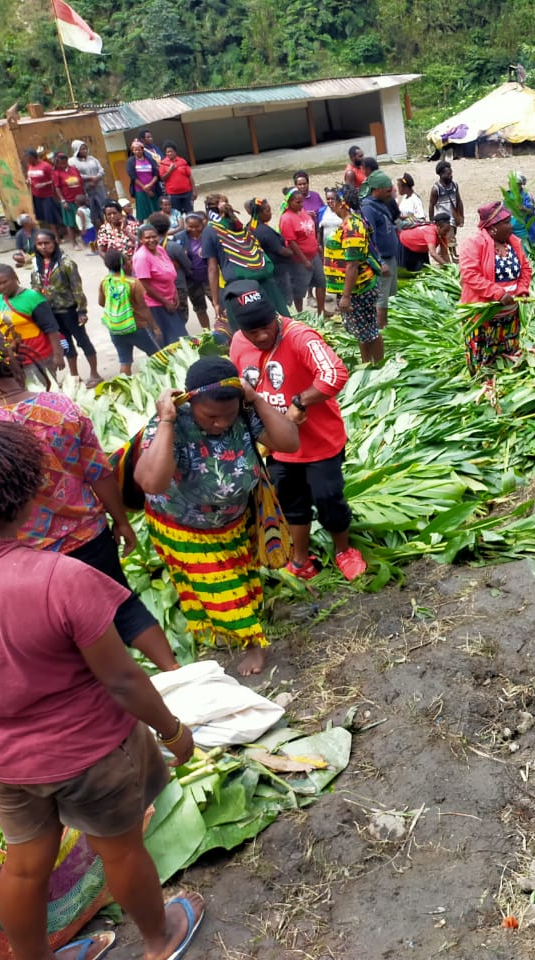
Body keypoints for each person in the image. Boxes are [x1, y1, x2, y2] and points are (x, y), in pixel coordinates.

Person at [0, 418, 206, 960]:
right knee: (120, 850)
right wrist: (173, 732)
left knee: (25, 864)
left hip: (0, 759)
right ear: (33, 496)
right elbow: (123, 679)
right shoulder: (62, 579)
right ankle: (160, 939)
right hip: (88, 752)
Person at [0, 324, 174, 672]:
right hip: (89, 537)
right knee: (123, 606)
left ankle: (103, 694)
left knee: (60, 632)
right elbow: (99, 472)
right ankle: (179, 674)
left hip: (23, 555)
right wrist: (122, 522)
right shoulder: (63, 408)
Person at [134, 355, 301, 676]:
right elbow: (151, 481)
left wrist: (255, 400)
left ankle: (239, 629)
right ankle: (252, 642)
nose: (221, 423)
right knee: (220, 588)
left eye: (228, 414)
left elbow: (289, 442)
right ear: (189, 401)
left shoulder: (244, 415)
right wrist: (167, 420)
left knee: (239, 580)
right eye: (210, 416)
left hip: (234, 520)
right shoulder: (172, 423)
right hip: (185, 527)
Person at [223, 284, 367, 587]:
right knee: (290, 502)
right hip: (276, 446)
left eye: (266, 326)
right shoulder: (237, 343)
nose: (262, 335)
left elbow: (335, 373)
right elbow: (238, 385)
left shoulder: (299, 336)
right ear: (240, 329)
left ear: (274, 316)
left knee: (329, 499)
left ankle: (344, 550)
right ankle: (301, 560)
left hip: (319, 442)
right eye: (253, 331)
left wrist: (300, 402)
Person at [459, 201, 531, 373]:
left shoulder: (514, 242)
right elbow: (470, 274)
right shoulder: (474, 243)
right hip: (484, 318)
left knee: (506, 359)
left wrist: (522, 289)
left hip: (509, 317)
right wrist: (497, 294)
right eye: (506, 223)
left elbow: (526, 269)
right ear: (492, 228)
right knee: (484, 364)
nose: (511, 226)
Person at [201, 194, 290, 325]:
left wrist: (216, 302)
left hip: (239, 289)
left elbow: (212, 268)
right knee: (281, 324)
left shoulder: (210, 231)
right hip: (265, 284)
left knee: (248, 331)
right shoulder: (241, 227)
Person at [30, 229, 100, 385]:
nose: (43, 247)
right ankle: (75, 376)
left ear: (54, 243)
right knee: (65, 344)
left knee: (83, 341)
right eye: (39, 244)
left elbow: (77, 288)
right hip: (51, 312)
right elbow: (35, 287)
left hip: (70, 310)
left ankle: (94, 373)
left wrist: (81, 310)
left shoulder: (66, 263)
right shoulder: (36, 264)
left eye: (46, 243)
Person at [325, 184, 383, 365]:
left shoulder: (352, 227)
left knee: (370, 332)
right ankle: (367, 364)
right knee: (362, 332)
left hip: (360, 290)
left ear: (343, 203)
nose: (330, 205)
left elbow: (352, 265)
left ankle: (378, 365)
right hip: (355, 290)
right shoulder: (349, 223)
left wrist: (346, 296)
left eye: (333, 201)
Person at [0, 262, 63, 374]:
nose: (2, 286)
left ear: (14, 278)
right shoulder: (0, 299)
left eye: (5, 282)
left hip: (37, 358)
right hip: (14, 360)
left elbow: (51, 328)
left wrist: (58, 355)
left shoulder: (32, 298)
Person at [99, 250, 161, 374]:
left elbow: (101, 303)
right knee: (157, 357)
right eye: (128, 260)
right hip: (137, 327)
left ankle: (126, 387)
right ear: (124, 265)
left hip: (116, 329)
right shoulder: (133, 283)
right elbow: (143, 308)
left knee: (125, 361)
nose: (130, 262)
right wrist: (155, 328)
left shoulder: (106, 281)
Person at [133, 223, 187, 346]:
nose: (151, 240)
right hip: (156, 305)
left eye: (154, 236)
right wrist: (165, 302)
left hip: (169, 299)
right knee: (169, 340)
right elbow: (144, 285)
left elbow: (170, 274)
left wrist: (175, 294)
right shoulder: (142, 257)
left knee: (181, 336)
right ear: (141, 239)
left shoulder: (160, 250)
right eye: (147, 238)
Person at [361, 171, 399, 331]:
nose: (391, 193)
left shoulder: (382, 203)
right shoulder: (368, 208)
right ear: (377, 189)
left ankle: (384, 327)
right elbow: (370, 238)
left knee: (386, 296)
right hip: (381, 261)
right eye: (388, 190)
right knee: (380, 299)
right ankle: (380, 333)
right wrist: (380, 262)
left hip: (390, 258)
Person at [279, 188, 324, 314]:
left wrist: (317, 245)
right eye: (297, 202)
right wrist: (305, 261)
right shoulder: (287, 219)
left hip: (313, 255)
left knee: (321, 283)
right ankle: (301, 314)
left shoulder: (303, 212)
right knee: (299, 289)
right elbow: (291, 242)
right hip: (299, 260)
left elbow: (311, 231)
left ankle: (321, 313)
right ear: (289, 202)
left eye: (302, 202)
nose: (300, 205)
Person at [167, 212, 211, 332]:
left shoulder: (209, 235)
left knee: (220, 305)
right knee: (199, 308)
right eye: (190, 226)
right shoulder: (180, 237)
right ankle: (207, 332)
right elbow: (174, 257)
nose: (193, 229)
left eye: (197, 226)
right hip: (191, 279)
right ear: (185, 225)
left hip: (209, 277)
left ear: (202, 225)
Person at [69, 140, 108, 226]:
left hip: (98, 187)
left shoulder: (92, 159)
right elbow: (75, 175)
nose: (85, 151)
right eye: (82, 149)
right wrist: (90, 178)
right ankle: (95, 229)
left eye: (85, 148)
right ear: (77, 150)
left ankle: (106, 225)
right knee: (91, 210)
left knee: (102, 206)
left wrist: (97, 177)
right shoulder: (72, 161)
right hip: (86, 189)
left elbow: (101, 170)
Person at [51, 152, 85, 248]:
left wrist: (84, 197)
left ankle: (84, 239)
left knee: (82, 220)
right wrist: (63, 201)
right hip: (68, 200)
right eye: (61, 162)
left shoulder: (74, 169)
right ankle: (74, 243)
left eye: (65, 162)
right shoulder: (57, 173)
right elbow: (57, 188)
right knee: (70, 222)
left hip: (79, 200)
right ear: (57, 163)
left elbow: (81, 183)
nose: (63, 164)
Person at [24, 148, 60, 230]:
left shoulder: (46, 166)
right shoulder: (30, 166)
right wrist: (28, 181)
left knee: (50, 217)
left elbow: (55, 179)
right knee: (42, 216)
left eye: (28, 158)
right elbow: (30, 177)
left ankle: (56, 236)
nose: (27, 160)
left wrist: (44, 184)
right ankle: (50, 233)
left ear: (33, 157)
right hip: (36, 195)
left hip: (47, 196)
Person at [126, 140, 161, 220]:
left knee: (155, 210)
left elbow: (156, 174)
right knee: (142, 213)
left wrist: (150, 185)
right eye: (135, 150)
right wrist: (145, 188)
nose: (137, 151)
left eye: (139, 149)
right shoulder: (131, 162)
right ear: (133, 151)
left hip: (152, 188)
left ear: (142, 149)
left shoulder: (150, 159)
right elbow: (133, 176)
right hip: (140, 190)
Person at [158, 143, 195, 215]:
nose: (169, 153)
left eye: (171, 151)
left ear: (175, 152)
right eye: (167, 152)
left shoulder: (182, 161)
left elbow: (189, 176)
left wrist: (194, 191)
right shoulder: (163, 164)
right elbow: (163, 178)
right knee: (177, 215)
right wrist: (170, 170)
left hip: (187, 193)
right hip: (173, 194)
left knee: (190, 213)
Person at [505, 172, 535, 249]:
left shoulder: (526, 196)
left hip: (526, 230)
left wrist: (523, 208)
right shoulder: (508, 195)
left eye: (514, 184)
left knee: (527, 250)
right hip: (512, 231)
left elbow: (531, 211)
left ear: (520, 185)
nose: (511, 186)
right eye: (510, 183)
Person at [429, 161, 464, 232]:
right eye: (448, 174)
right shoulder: (436, 189)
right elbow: (431, 205)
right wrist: (432, 221)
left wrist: (462, 217)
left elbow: (459, 201)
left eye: (451, 173)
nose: (451, 176)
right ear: (441, 174)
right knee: (451, 241)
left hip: (454, 221)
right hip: (444, 222)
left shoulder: (454, 185)